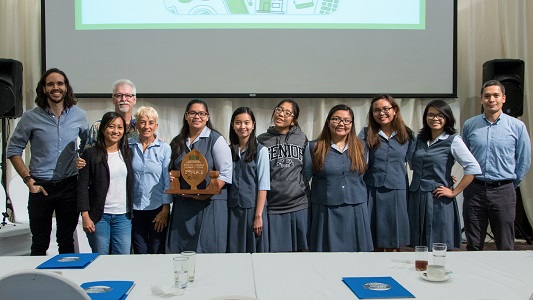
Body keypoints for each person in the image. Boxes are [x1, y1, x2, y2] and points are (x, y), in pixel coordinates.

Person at [7, 68, 88, 255]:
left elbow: (88, 145)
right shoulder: (30, 117)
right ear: (43, 89)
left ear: (66, 88)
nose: (55, 87)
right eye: (50, 84)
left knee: (66, 241)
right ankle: (37, 283)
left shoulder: (79, 116)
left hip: (69, 186)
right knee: (39, 242)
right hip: (40, 187)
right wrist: (28, 180)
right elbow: (13, 150)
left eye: (60, 83)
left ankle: (67, 282)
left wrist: (81, 159)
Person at [462, 80, 531, 251]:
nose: (491, 99)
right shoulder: (470, 125)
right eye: (487, 96)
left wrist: (510, 184)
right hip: (475, 191)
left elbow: (524, 160)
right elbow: (464, 157)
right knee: (474, 244)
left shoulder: (517, 126)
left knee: (505, 244)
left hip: (504, 191)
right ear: (481, 100)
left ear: (504, 98)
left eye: (495, 95)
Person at [408, 100, 481, 249]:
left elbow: (473, 168)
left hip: (438, 199)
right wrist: (443, 173)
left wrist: (454, 191)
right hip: (416, 197)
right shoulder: (419, 140)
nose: (435, 118)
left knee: (437, 244)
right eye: (431, 115)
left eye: (440, 115)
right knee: (417, 245)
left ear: (447, 118)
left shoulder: (453, 140)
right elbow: (414, 164)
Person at [166, 99, 232, 253]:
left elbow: (226, 172)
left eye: (202, 113)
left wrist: (206, 193)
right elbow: (170, 169)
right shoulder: (177, 142)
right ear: (186, 116)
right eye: (193, 113)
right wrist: (171, 177)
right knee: (181, 254)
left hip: (209, 205)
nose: (197, 117)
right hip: (183, 207)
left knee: (208, 252)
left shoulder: (216, 140)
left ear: (207, 117)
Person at [304, 104, 373, 252]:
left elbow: (365, 176)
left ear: (352, 124)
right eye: (336, 119)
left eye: (346, 120)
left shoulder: (363, 147)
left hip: (355, 209)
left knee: (357, 259)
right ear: (328, 122)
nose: (341, 124)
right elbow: (305, 179)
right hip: (325, 210)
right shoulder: (314, 147)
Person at [358, 95, 414, 252]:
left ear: (394, 110)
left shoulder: (407, 134)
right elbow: (359, 161)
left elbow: (416, 163)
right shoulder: (365, 133)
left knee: (393, 238)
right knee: (373, 236)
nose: (381, 113)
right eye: (376, 110)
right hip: (372, 189)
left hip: (397, 190)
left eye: (385, 109)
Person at [78, 112, 134, 254]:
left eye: (120, 127)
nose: (116, 131)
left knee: (122, 259)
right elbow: (82, 186)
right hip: (99, 217)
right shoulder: (90, 154)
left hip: (123, 217)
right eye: (111, 126)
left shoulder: (127, 153)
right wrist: (85, 216)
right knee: (101, 259)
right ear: (103, 129)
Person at [257, 99, 309, 252]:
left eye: (288, 113)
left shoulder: (301, 138)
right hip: (273, 206)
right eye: (279, 109)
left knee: (302, 253)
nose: (281, 114)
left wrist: (297, 186)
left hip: (298, 204)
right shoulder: (261, 140)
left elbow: (308, 169)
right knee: (276, 254)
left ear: (294, 120)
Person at [129, 106, 172, 254]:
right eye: (142, 122)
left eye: (151, 122)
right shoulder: (127, 146)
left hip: (157, 209)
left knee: (157, 251)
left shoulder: (165, 148)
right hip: (134, 209)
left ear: (156, 126)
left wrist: (166, 209)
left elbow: (168, 179)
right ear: (136, 125)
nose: (146, 126)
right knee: (140, 251)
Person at [227, 107, 270, 253]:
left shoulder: (261, 150)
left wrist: (258, 216)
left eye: (246, 122)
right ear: (233, 125)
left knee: (253, 251)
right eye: (238, 123)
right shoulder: (228, 150)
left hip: (252, 209)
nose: (242, 127)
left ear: (253, 125)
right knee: (233, 251)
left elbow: (263, 185)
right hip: (232, 209)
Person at [86, 79, 137, 146]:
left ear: (134, 100)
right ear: (113, 99)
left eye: (128, 95)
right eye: (119, 95)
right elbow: (88, 154)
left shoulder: (140, 128)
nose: (124, 99)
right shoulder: (99, 126)